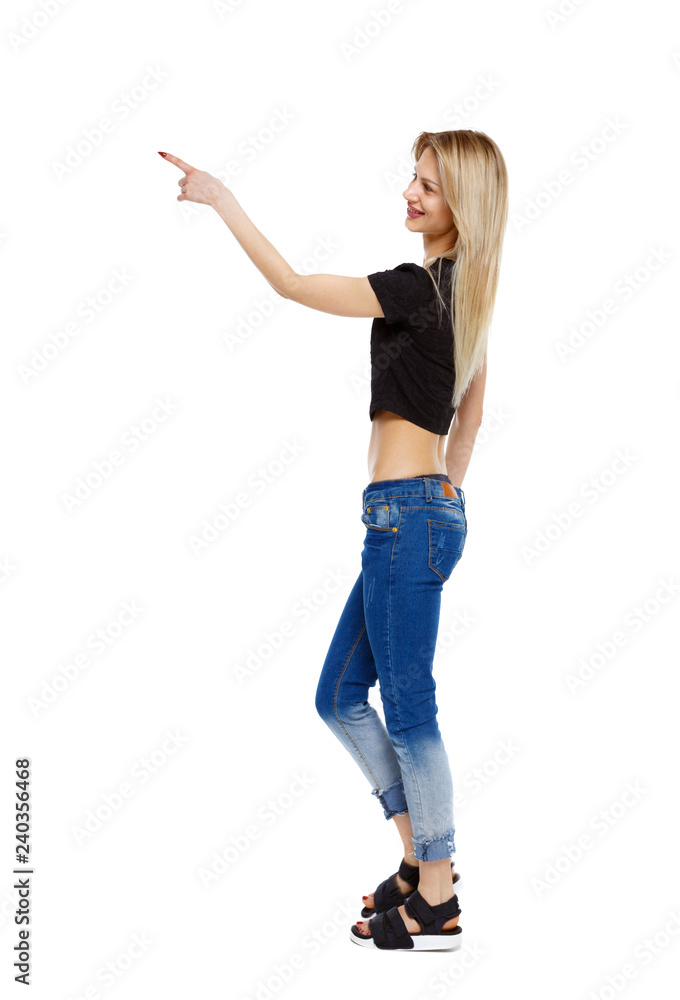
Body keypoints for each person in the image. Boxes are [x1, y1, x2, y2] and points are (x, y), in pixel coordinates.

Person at [158, 129, 509, 951]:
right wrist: (445, 498)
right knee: (339, 695)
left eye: (429, 186)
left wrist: (221, 198)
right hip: (417, 514)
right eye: (413, 177)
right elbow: (469, 420)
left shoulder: (418, 289)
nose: (410, 193)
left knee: (410, 707)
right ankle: (421, 862)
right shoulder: (467, 294)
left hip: (406, 518)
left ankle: (437, 899)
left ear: (465, 204)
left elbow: (289, 284)